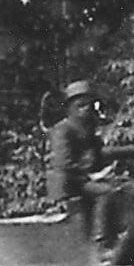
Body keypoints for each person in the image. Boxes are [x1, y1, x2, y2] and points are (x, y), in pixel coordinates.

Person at [48, 81, 111, 243]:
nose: (86, 109)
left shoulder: (89, 129)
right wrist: (91, 175)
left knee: (127, 188)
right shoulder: (63, 130)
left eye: (89, 105)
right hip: (70, 183)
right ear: (70, 108)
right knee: (107, 192)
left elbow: (98, 157)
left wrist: (104, 170)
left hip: (85, 180)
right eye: (80, 105)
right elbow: (64, 163)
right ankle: (100, 239)